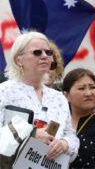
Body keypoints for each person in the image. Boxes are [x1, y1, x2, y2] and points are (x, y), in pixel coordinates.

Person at [0, 32, 79, 161]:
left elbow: (71, 135)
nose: (45, 56)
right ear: (18, 60)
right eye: (37, 52)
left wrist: (65, 144)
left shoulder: (59, 98)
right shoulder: (3, 92)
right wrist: (30, 135)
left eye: (48, 52)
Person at [63, 68, 95, 169]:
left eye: (92, 87)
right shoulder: (58, 120)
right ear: (66, 95)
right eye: (81, 88)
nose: (89, 93)